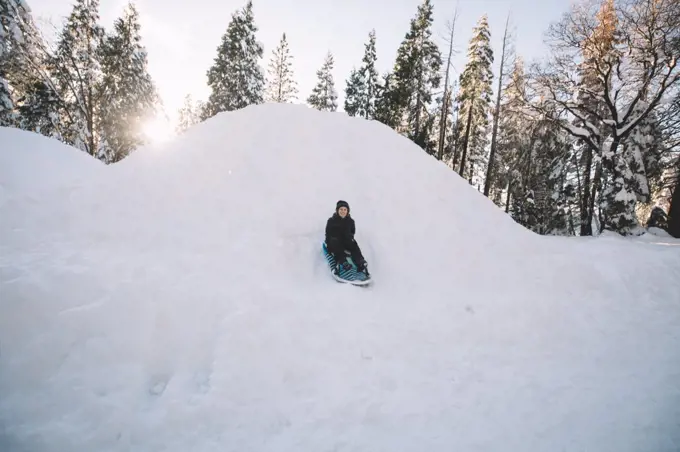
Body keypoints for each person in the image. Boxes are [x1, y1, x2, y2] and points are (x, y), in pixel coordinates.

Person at [325, 200, 369, 276]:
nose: (343, 211)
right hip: (334, 242)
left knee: (353, 243)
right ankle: (343, 262)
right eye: (341, 209)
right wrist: (329, 244)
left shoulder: (351, 221)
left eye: (345, 210)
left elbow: (352, 232)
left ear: (347, 211)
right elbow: (328, 233)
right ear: (337, 210)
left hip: (345, 241)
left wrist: (349, 238)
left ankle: (360, 262)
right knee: (335, 242)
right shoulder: (331, 221)